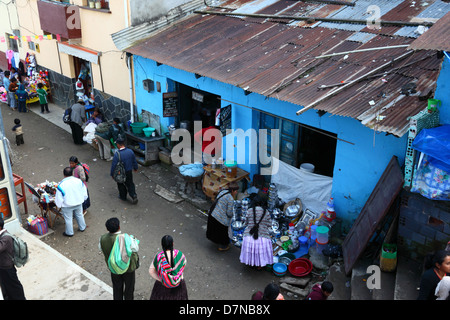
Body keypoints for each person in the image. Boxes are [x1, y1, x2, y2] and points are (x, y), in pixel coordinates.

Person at [99, 217, 138, 300]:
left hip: (114, 268)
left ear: (107, 229)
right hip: (128, 268)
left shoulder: (102, 239)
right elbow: (135, 248)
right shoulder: (126, 238)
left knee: (117, 288)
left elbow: (100, 248)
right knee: (129, 288)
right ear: (119, 227)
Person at [149, 235, 188, 300]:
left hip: (162, 287)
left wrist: (162, 280)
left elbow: (151, 271)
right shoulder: (180, 255)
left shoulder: (159, 256)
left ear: (162, 244)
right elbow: (183, 266)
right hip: (178, 286)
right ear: (173, 243)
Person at [239, 195, 273, 268]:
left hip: (249, 236)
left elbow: (246, 223)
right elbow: (269, 224)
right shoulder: (266, 212)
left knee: (251, 249)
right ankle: (259, 266)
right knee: (260, 252)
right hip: (263, 237)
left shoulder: (249, 210)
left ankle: (250, 262)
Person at [55, 167, 88, 237]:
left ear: (64, 174)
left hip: (67, 205)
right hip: (78, 203)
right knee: (79, 215)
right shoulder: (79, 181)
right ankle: (82, 227)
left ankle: (69, 232)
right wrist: (82, 199)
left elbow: (59, 198)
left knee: (68, 219)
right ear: (72, 173)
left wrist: (59, 205)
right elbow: (85, 193)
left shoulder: (61, 185)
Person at [206, 182, 239, 251]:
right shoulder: (230, 199)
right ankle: (222, 247)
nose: (236, 192)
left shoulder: (223, 191)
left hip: (213, 214)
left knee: (214, 230)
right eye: (236, 191)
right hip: (221, 219)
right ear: (232, 191)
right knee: (223, 235)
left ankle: (215, 241)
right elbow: (229, 213)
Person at [0, 216, 26, 300]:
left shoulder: (6, 238)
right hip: (3, 268)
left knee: (14, 288)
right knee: (7, 288)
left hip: (8, 269)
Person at [110, 138, 138, 204]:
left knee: (121, 184)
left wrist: (112, 174)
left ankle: (123, 196)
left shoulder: (117, 154)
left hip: (120, 173)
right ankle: (133, 195)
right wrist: (135, 168)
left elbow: (113, 165)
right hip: (129, 171)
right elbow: (134, 161)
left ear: (118, 145)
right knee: (130, 183)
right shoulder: (130, 151)